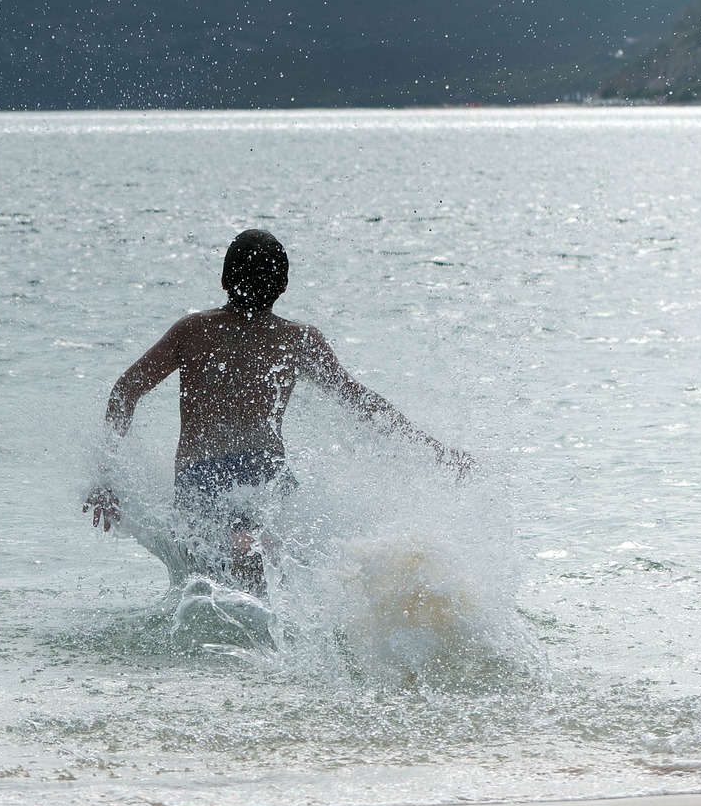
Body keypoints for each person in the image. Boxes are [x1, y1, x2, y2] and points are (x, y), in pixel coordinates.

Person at [84, 229, 471, 588]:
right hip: (269, 473)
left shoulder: (194, 331)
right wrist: (430, 449)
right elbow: (360, 402)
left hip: (202, 476)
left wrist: (107, 476)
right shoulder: (297, 339)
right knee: (277, 558)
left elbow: (125, 390)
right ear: (283, 286)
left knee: (239, 556)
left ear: (223, 280)